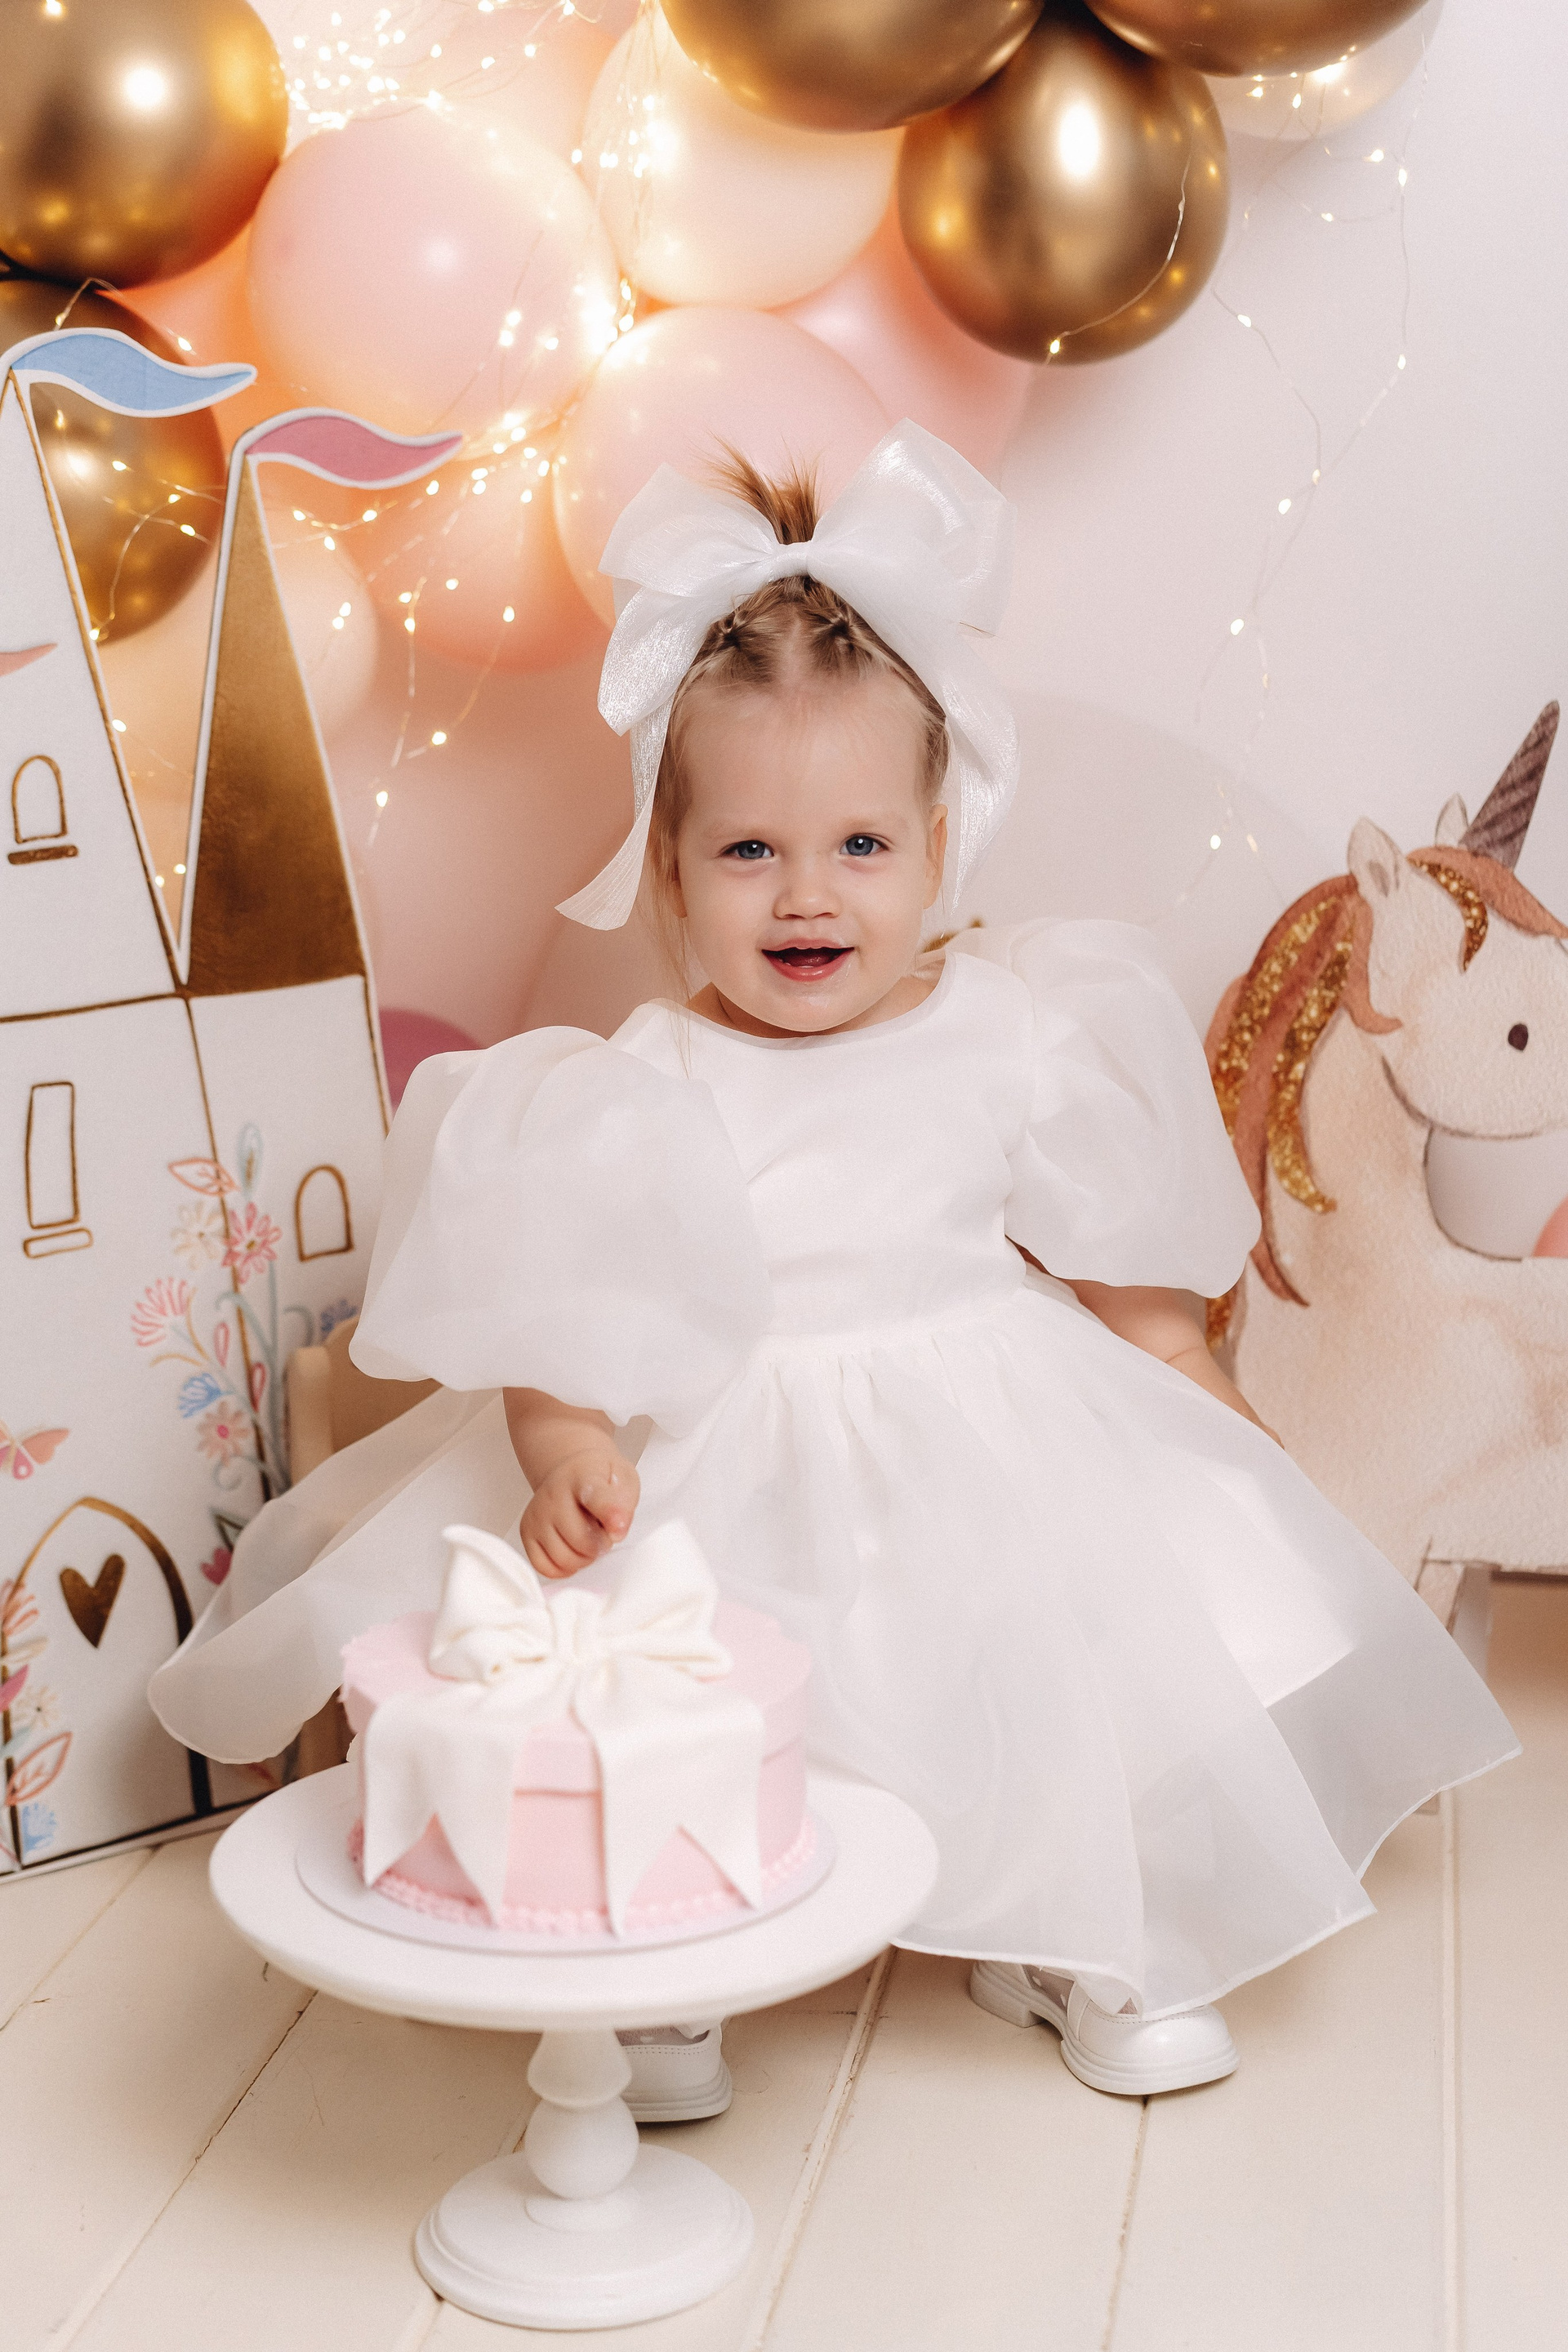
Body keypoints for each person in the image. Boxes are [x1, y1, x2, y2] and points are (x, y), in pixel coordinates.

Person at [152, 424, 1515, 2115]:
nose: (809, 896)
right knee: (684, 1669)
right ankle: (679, 1947)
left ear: (940, 847)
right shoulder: (635, 1083)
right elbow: (563, 1331)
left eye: (862, 848)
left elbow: (1128, 1290)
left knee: (1069, 1654)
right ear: (668, 869)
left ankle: (1072, 1924)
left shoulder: (1016, 1023)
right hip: (726, 1446)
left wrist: (1206, 1405)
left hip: (987, 1417)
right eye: (749, 853)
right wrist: (566, 1453)